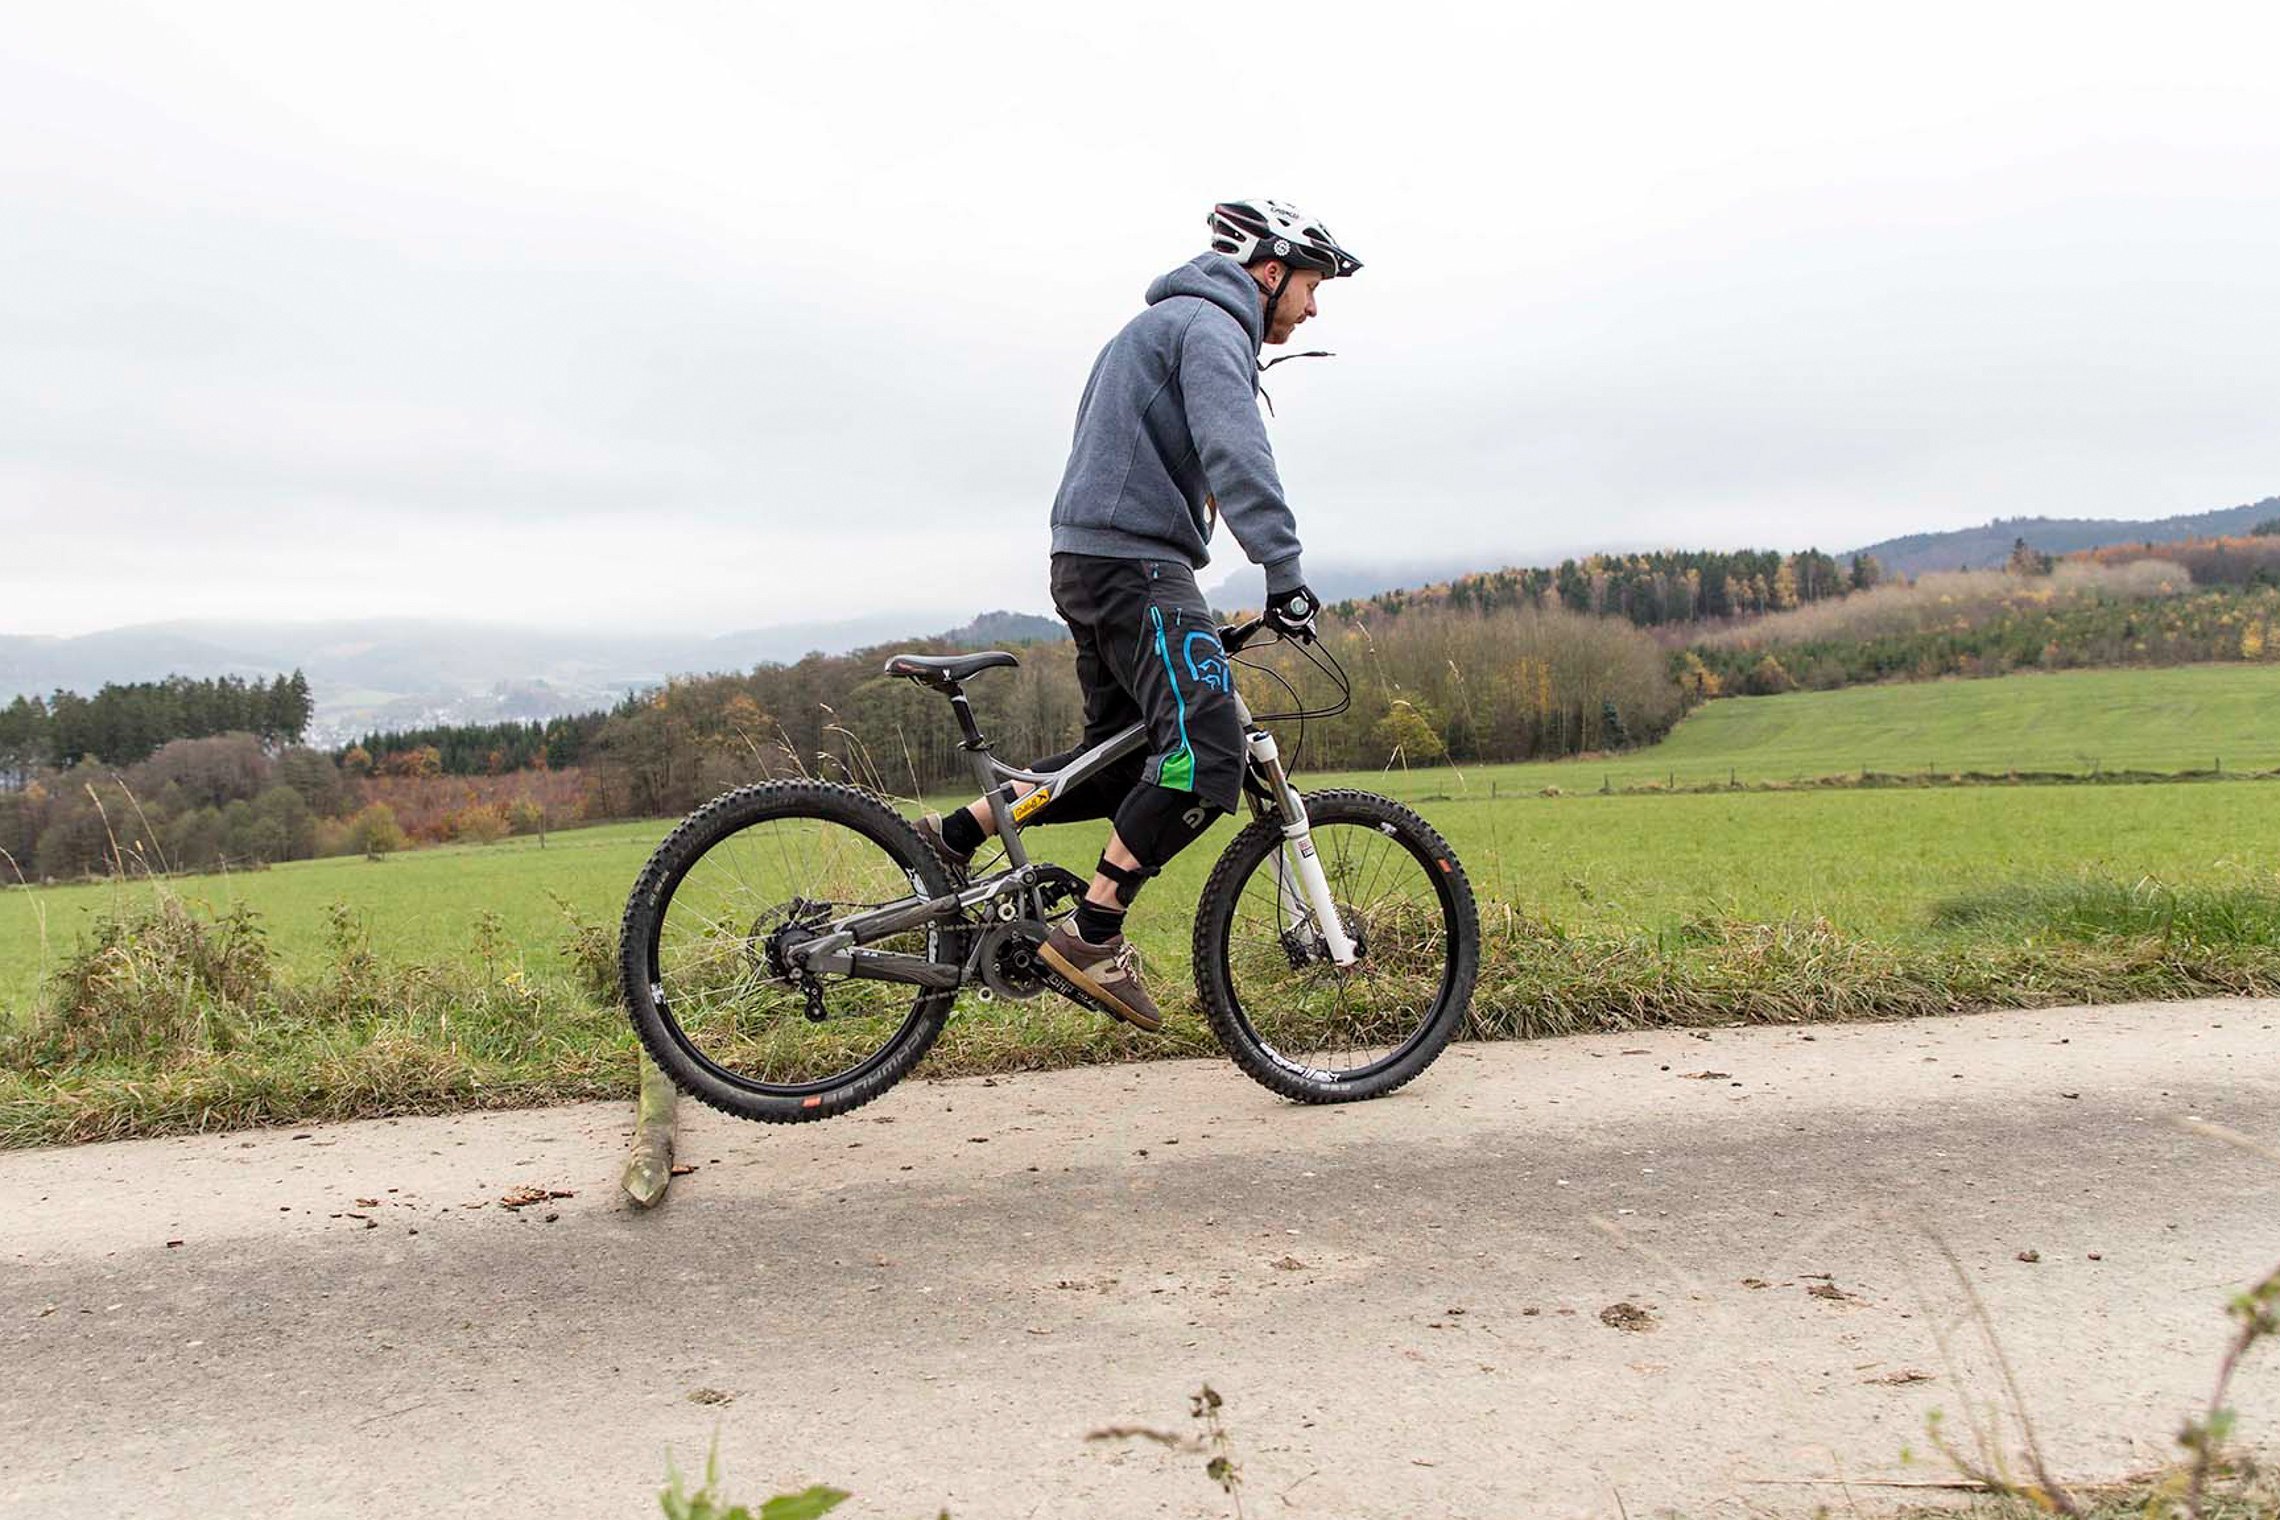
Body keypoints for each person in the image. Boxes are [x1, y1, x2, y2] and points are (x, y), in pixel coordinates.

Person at [917, 198, 1362, 1033]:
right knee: (1207, 756)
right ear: (1269, 272)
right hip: (1137, 564)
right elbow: (1235, 450)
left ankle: (952, 833)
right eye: (1310, 286)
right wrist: (1285, 572)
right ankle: (1092, 935)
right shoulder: (1211, 327)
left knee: (1122, 764)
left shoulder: (1157, 326)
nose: (1312, 307)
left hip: (1091, 560)